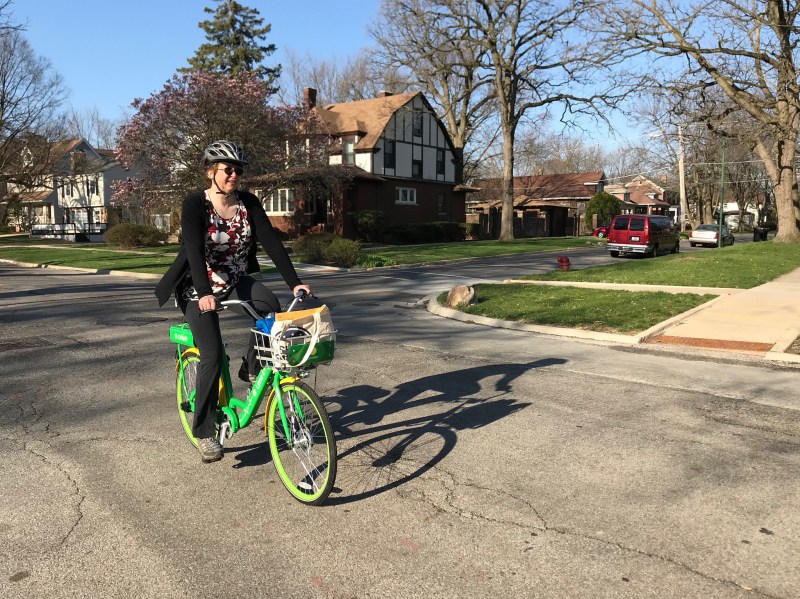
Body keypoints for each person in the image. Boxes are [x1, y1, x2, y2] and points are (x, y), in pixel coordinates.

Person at [155, 140, 310, 463]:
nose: (234, 175)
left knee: (270, 307)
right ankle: (204, 431)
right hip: (198, 288)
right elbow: (194, 251)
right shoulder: (195, 204)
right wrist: (205, 292)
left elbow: (272, 244)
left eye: (238, 170)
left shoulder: (248, 204)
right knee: (211, 355)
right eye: (228, 170)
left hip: (236, 281)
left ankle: (252, 369)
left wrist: (295, 283)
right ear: (211, 172)